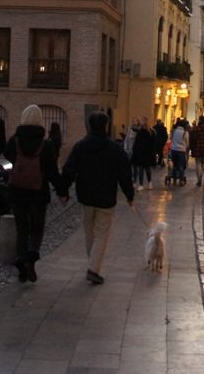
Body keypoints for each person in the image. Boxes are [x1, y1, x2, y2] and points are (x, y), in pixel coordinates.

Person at [58, 111, 135, 285]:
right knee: (101, 234)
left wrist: (63, 191)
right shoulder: (115, 149)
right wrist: (129, 195)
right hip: (106, 197)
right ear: (106, 126)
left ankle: (93, 265)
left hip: (85, 196)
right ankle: (93, 269)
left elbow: (69, 170)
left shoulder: (80, 146)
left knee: (89, 233)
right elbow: (124, 174)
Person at [3, 105, 61, 283]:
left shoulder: (15, 141)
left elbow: (7, 157)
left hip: (17, 191)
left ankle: (21, 260)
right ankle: (30, 261)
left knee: (22, 229)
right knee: (36, 229)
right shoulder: (46, 144)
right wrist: (62, 190)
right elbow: (52, 171)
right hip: (38, 193)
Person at [131, 117, 156, 190]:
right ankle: (141, 184)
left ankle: (149, 182)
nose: (141, 122)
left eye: (142, 121)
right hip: (140, 153)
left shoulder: (151, 132)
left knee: (147, 169)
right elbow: (137, 142)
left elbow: (152, 144)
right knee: (141, 169)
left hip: (146, 153)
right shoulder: (140, 131)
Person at [168, 118, 189, 185]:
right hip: (181, 151)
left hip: (174, 150)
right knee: (181, 166)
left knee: (174, 165)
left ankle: (174, 179)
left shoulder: (174, 131)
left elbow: (171, 138)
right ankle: (181, 180)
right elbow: (187, 143)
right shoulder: (185, 133)